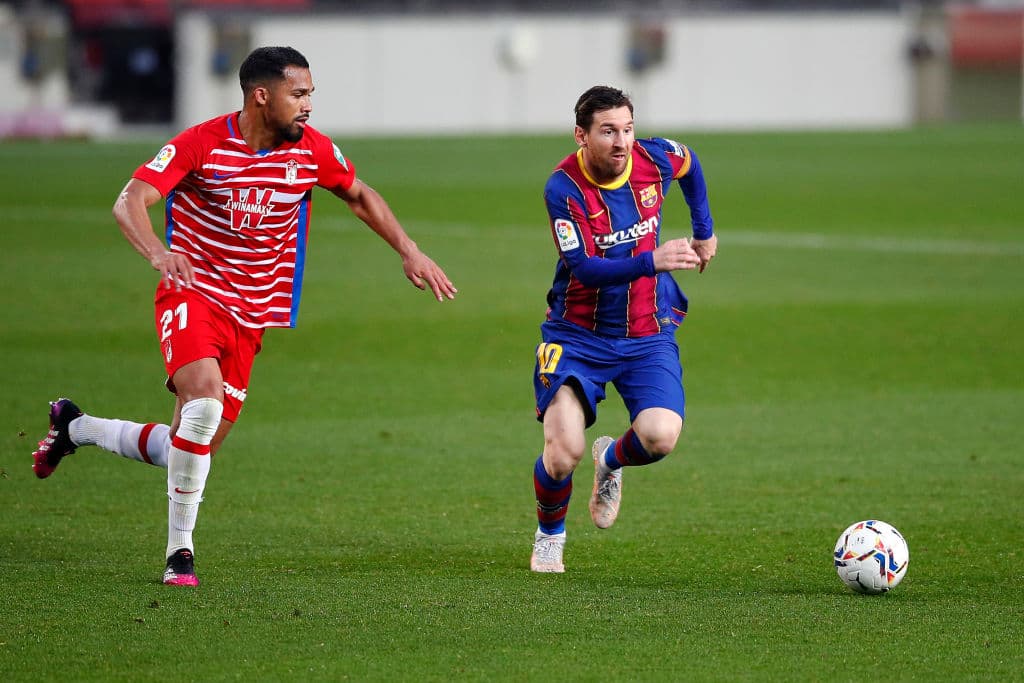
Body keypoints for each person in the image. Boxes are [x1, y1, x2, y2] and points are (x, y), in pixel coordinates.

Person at [31, 46, 457, 586]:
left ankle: (78, 427)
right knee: (204, 405)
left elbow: (358, 193)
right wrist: (160, 255)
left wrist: (408, 250)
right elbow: (131, 200)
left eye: (310, 94)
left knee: (193, 446)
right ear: (261, 96)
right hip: (192, 295)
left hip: (252, 315)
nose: (308, 105)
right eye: (298, 94)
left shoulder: (310, 150)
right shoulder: (201, 143)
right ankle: (180, 553)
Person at [529, 85, 717, 573]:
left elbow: (691, 164)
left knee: (660, 436)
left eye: (628, 129)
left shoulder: (653, 159)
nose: (621, 142)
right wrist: (652, 259)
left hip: (646, 331)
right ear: (581, 135)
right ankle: (550, 536)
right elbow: (586, 268)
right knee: (563, 453)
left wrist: (704, 231)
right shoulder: (563, 188)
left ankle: (610, 460)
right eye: (608, 131)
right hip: (577, 335)